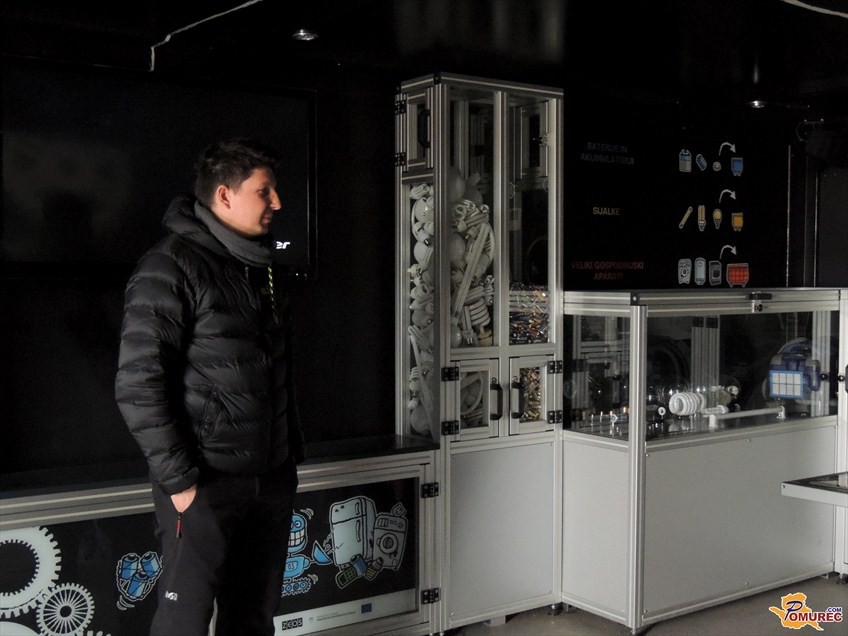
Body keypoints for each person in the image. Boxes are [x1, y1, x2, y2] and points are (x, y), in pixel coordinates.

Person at [115, 138, 305, 635]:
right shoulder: (169, 266)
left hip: (269, 481)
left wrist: (284, 466)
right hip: (203, 485)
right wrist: (181, 484)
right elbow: (138, 385)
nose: (277, 202)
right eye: (264, 191)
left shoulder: (261, 267)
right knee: (184, 621)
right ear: (224, 195)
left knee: (254, 618)